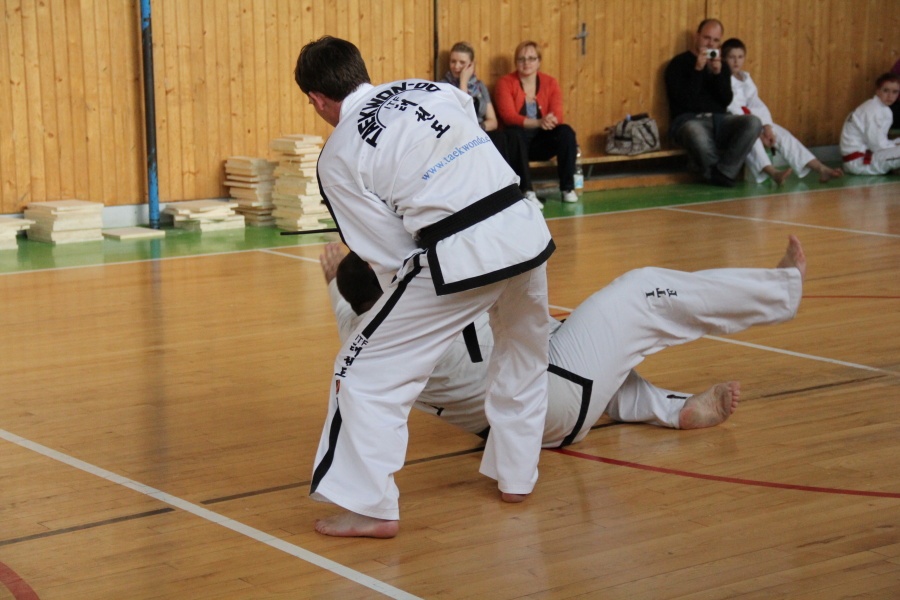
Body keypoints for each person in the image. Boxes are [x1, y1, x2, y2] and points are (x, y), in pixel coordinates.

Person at [294, 36, 555, 539]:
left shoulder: (338, 152)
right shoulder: (430, 88)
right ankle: (517, 477)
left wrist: (404, 314)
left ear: (317, 100)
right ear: (360, 70)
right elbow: (467, 126)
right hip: (524, 227)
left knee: (363, 371)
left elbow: (384, 250)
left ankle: (370, 507)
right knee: (523, 352)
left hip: (462, 251)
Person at [322, 235, 806, 448]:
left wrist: (335, 280)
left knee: (559, 337)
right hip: (551, 393)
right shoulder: (427, 306)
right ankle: (780, 291)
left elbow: (350, 301)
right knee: (640, 292)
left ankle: (670, 409)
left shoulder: (361, 334)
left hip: (524, 427)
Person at [722, 38, 843, 185]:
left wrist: (767, 127)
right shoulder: (722, 79)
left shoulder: (746, 78)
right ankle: (774, 173)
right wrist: (757, 132)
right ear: (723, 58)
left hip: (754, 120)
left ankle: (820, 168)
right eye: (732, 57)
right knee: (752, 139)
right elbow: (732, 107)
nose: (736, 61)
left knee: (783, 135)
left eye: (740, 57)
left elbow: (757, 104)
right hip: (736, 123)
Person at [664, 19, 762, 187]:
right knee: (695, 131)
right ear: (697, 37)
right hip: (688, 120)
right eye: (706, 38)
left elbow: (726, 100)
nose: (710, 44)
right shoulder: (678, 63)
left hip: (719, 120)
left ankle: (722, 172)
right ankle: (720, 173)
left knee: (753, 122)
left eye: (715, 40)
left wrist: (718, 74)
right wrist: (698, 70)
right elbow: (684, 101)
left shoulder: (721, 66)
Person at [441, 42, 537, 206]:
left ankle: (526, 189)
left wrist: (480, 128)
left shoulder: (479, 87)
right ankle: (503, 192)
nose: (456, 66)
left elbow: (493, 121)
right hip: (459, 136)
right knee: (497, 139)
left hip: (479, 131)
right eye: (453, 61)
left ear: (471, 64)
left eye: (462, 62)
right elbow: (461, 117)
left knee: (512, 135)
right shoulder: (444, 87)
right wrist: (463, 82)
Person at [494, 41, 579, 203]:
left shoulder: (550, 82)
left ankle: (568, 188)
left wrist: (549, 121)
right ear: (516, 62)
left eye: (531, 58)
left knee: (566, 131)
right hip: (516, 145)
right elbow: (509, 117)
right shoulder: (505, 83)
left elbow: (558, 115)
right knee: (515, 132)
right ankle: (527, 190)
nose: (526, 63)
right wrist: (539, 122)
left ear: (539, 61)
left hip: (540, 141)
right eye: (521, 59)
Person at [840, 72, 900, 175]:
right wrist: (894, 145)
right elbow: (877, 145)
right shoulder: (873, 110)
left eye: (895, 92)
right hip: (860, 162)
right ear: (878, 91)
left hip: (868, 154)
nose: (890, 96)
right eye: (886, 91)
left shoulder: (880, 107)